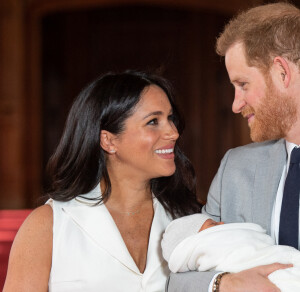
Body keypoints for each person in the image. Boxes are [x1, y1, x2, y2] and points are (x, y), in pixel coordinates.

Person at [3, 70, 202, 291]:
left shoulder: (188, 217)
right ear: (108, 141)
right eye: (153, 121)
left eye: (170, 118)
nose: (173, 132)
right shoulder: (49, 225)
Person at [166, 2, 300, 292]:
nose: (236, 103)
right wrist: (224, 283)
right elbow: (177, 279)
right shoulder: (235, 168)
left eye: (243, 84)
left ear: (281, 72)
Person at [162, 214, 299, 292]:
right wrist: (224, 284)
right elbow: (177, 282)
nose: (222, 222)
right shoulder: (206, 246)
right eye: (214, 225)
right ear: (193, 244)